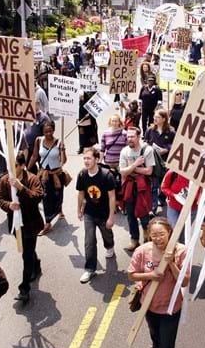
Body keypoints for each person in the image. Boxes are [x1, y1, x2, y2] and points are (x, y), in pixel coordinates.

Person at [128, 217, 190, 348]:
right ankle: (155, 345)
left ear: (169, 232)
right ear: (149, 235)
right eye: (154, 235)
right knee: (155, 334)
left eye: (161, 234)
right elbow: (131, 274)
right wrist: (150, 275)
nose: (158, 238)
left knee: (167, 347)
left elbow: (184, 281)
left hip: (171, 308)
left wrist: (170, 262)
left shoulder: (181, 250)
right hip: (149, 306)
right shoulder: (142, 251)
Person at [0, 152, 44, 302]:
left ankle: (24, 288)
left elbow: (37, 197)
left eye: (15, 165)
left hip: (31, 223)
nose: (12, 168)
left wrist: (21, 188)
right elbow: (1, 199)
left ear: (23, 166)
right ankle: (35, 264)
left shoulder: (32, 179)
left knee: (26, 255)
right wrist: (9, 205)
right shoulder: (5, 180)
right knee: (27, 250)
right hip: (16, 225)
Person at [76, 148, 116, 283]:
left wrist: (111, 217)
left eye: (89, 158)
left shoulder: (106, 176)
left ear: (97, 160)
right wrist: (79, 209)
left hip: (104, 213)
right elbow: (81, 193)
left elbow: (112, 197)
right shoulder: (82, 175)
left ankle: (110, 246)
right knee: (89, 241)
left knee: (107, 235)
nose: (86, 161)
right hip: (89, 213)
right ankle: (90, 269)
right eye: (84, 158)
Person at [27, 121, 67, 235]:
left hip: (57, 175)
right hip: (44, 175)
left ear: (54, 130)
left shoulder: (59, 142)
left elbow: (63, 161)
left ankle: (59, 209)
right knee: (45, 197)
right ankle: (48, 222)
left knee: (58, 195)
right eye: (46, 131)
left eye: (50, 131)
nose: (48, 133)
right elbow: (35, 156)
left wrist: (63, 151)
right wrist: (26, 171)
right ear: (42, 132)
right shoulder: (38, 140)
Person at [120, 127, 155, 251]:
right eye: (128, 137)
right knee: (130, 215)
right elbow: (123, 172)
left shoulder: (147, 150)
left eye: (132, 136)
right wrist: (135, 165)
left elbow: (149, 171)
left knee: (144, 214)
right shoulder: (124, 151)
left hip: (143, 187)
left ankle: (147, 238)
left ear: (139, 137)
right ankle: (134, 239)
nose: (129, 139)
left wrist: (130, 167)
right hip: (129, 186)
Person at [144, 109, 175, 214]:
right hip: (153, 162)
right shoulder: (150, 130)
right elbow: (146, 142)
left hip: (165, 162)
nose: (154, 119)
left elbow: (175, 144)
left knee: (164, 182)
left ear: (164, 119)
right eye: (154, 117)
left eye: (157, 117)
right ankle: (153, 207)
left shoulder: (171, 132)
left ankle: (162, 199)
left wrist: (166, 149)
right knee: (154, 185)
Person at [160, 171, 199, 243]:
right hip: (173, 207)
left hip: (190, 210)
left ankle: (181, 252)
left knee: (183, 234)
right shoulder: (172, 173)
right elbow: (164, 188)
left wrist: (192, 197)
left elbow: (201, 195)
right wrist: (174, 195)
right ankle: (171, 251)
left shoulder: (200, 176)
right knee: (174, 231)